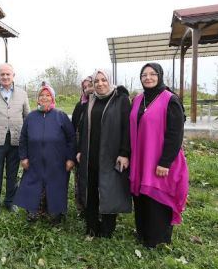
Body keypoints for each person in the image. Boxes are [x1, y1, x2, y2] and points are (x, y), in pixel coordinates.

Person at [130, 63, 189, 248]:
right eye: (144, 75)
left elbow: (175, 134)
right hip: (140, 158)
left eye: (152, 74)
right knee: (141, 196)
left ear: (160, 76)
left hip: (160, 160)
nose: (148, 78)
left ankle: (157, 238)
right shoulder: (138, 99)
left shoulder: (170, 100)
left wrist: (165, 162)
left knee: (157, 197)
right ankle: (143, 234)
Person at [76, 69, 132, 238]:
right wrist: (80, 149)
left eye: (104, 80)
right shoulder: (91, 101)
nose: (100, 84)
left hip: (111, 155)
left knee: (109, 190)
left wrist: (124, 152)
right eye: (96, 81)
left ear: (110, 81)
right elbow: (82, 127)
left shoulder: (120, 100)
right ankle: (91, 227)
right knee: (91, 190)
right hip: (91, 155)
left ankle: (107, 229)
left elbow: (127, 128)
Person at [14, 83, 76, 224]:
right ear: (37, 99)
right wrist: (23, 157)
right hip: (35, 160)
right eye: (41, 95)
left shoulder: (60, 116)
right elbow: (23, 138)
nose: (44, 98)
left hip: (57, 161)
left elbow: (71, 138)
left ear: (52, 98)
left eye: (48, 95)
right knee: (32, 185)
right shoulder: (31, 117)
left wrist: (70, 158)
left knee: (56, 186)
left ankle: (55, 213)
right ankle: (33, 211)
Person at [0, 63, 30, 215]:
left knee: (12, 173)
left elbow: (27, 117)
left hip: (16, 140)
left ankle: (10, 201)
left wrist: (27, 140)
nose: (5, 77)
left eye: (8, 74)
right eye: (2, 74)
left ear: (13, 76)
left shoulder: (22, 94)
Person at [71, 75, 94, 216]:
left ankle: (94, 207)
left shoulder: (101, 103)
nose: (87, 89)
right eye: (84, 87)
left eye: (90, 85)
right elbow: (72, 128)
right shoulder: (80, 105)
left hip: (95, 149)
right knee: (79, 179)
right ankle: (81, 208)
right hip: (80, 149)